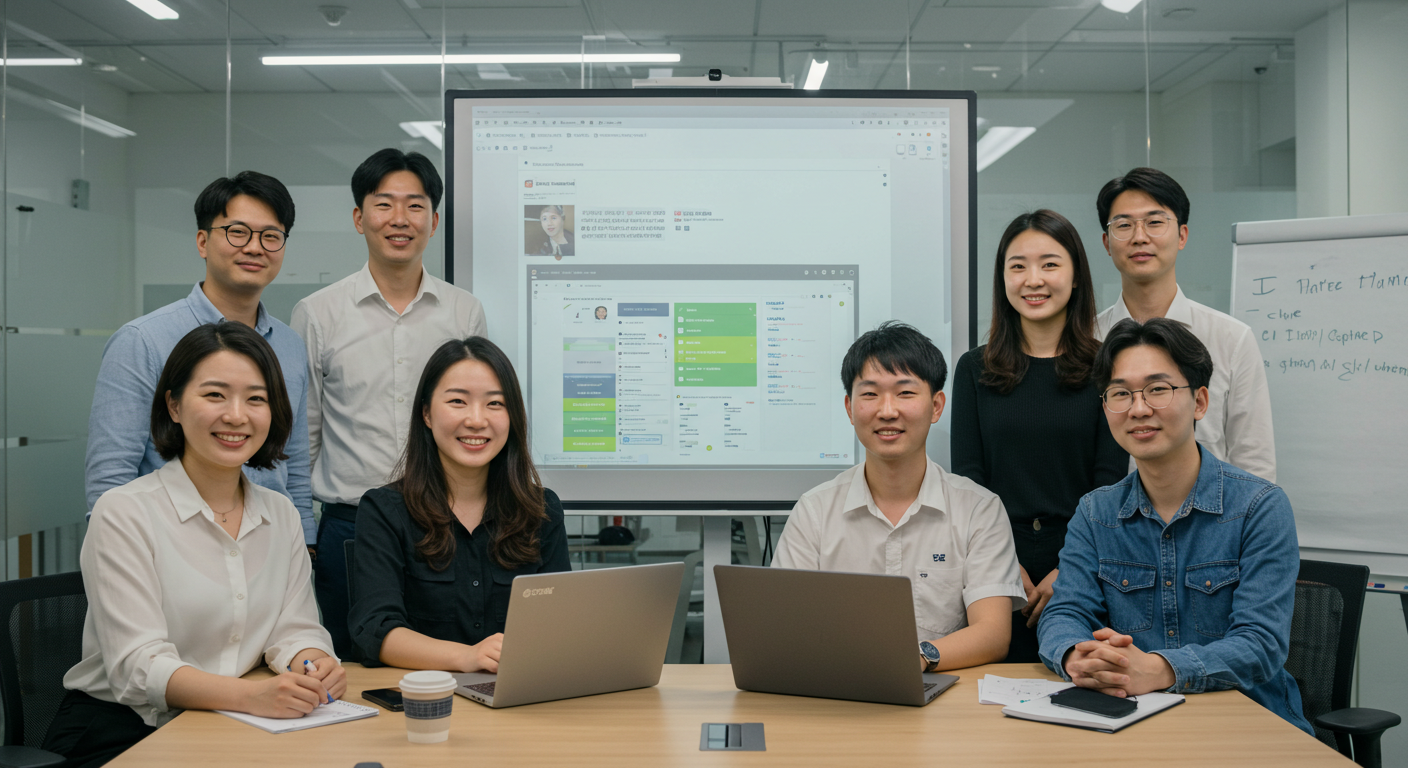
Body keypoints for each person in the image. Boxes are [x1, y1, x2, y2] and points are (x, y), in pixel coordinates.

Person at [47, 323, 344, 767]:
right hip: (121, 730)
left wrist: (313, 662)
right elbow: (138, 666)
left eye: (256, 399)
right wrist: (251, 696)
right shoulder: (124, 512)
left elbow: (295, 627)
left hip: (233, 722)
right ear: (174, 405)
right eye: (215, 395)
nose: (237, 416)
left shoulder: (280, 514)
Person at [1036, 317, 1311, 733]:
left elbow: (1260, 644)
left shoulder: (1260, 507)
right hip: (1132, 725)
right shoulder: (1095, 513)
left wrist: (1159, 669)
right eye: (1120, 393)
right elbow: (1065, 612)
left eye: (1158, 389)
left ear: (1200, 402)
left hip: (1246, 726)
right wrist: (1077, 655)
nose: (1138, 409)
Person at [292, 149, 487, 657]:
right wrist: (302, 530)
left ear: (434, 221)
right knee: (353, 666)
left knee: (449, 663)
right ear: (360, 218)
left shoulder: (463, 311)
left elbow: (478, 417)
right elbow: (302, 433)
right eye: (384, 204)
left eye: (415, 206)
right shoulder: (317, 313)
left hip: (443, 525)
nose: (400, 219)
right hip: (350, 526)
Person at [773, 321, 1026, 671]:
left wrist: (914, 659)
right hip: (837, 687)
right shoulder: (814, 511)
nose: (887, 410)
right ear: (849, 407)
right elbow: (785, 626)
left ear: (936, 406)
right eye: (870, 394)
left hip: (941, 689)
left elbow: (993, 634)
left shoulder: (979, 509)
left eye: (905, 393)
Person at [85, 171, 314, 549]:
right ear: (203, 241)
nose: (255, 247)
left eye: (271, 236)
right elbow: (111, 476)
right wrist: (122, 556)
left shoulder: (290, 346)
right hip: (171, 549)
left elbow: (293, 465)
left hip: (269, 547)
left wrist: (304, 546)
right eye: (237, 232)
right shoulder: (143, 340)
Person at [951, 210, 1128, 663]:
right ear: (1003, 278)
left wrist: (1069, 567)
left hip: (1087, 565)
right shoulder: (974, 369)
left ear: (1076, 276)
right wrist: (1004, 566)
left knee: (1079, 680)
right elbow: (968, 482)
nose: (1033, 279)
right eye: (1018, 266)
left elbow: (1109, 483)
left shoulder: (1107, 369)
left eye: (1050, 264)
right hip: (991, 567)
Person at [348, 337, 570, 671]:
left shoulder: (541, 510)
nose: (477, 420)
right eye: (457, 401)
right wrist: (467, 657)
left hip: (517, 693)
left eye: (495, 403)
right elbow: (375, 630)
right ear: (426, 413)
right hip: (421, 693)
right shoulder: (385, 510)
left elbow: (560, 625)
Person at [1095, 167, 1275, 481]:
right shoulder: (1086, 339)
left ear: (1181, 235)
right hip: (1105, 511)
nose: (1140, 237)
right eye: (1123, 225)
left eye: (1154, 222)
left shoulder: (1231, 339)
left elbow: (1254, 465)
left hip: (1210, 511)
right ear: (1107, 243)